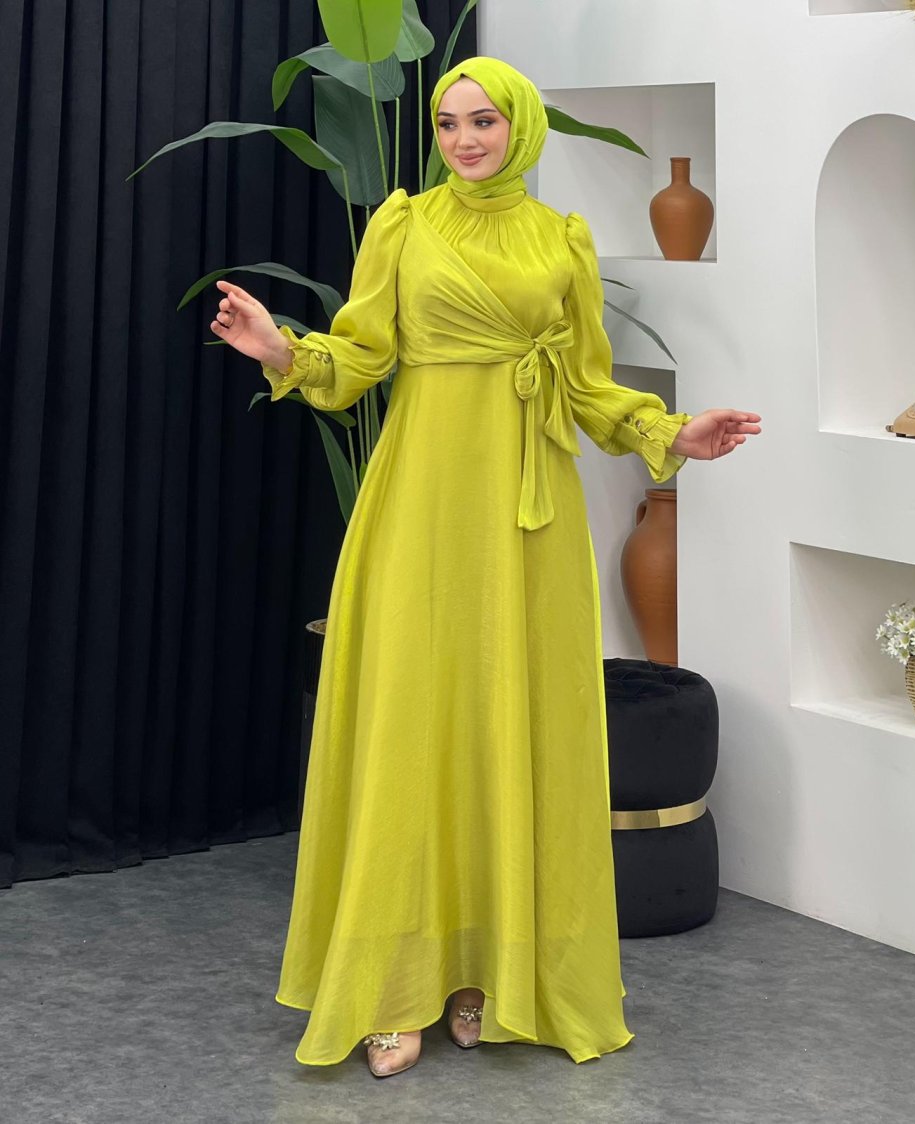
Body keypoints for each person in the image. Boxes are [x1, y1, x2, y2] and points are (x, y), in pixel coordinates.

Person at [210, 56, 761, 1079]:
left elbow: (589, 387)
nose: (463, 140)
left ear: (519, 128)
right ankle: (394, 984)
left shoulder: (562, 238)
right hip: (421, 502)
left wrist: (673, 433)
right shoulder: (404, 226)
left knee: (511, 725)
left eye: (483, 122)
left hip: (527, 517)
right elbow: (360, 357)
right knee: (415, 727)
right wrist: (279, 350)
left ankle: (484, 973)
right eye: (448, 123)